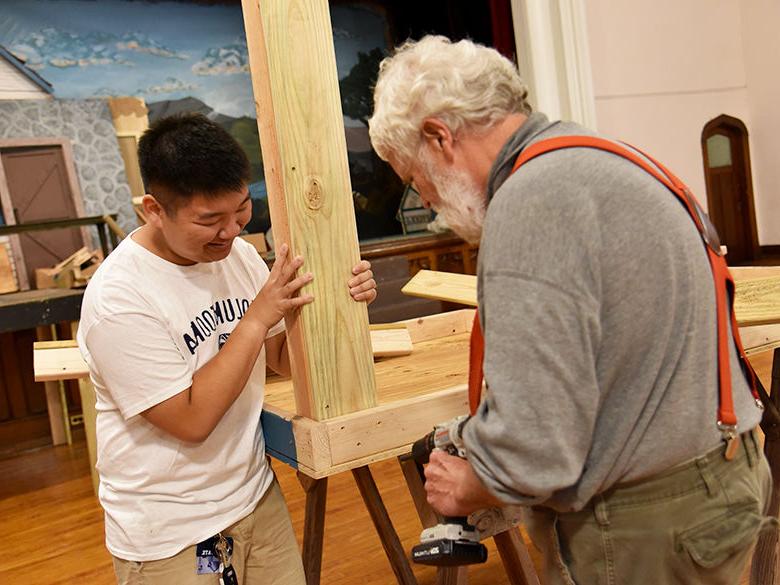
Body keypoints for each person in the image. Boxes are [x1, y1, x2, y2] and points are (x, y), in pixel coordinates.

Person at [368, 36, 772, 584]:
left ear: (439, 137)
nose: (432, 206)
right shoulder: (596, 154)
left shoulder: (531, 204)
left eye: (419, 182)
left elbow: (538, 452)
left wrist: (469, 482)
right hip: (714, 477)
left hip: (645, 522)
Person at [77, 113, 377, 585]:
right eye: (209, 220)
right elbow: (192, 421)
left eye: (241, 209)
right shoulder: (119, 299)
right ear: (152, 210)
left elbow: (278, 360)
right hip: (172, 532)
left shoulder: (235, 256)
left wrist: (343, 304)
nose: (232, 231)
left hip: (253, 497)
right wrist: (257, 317)